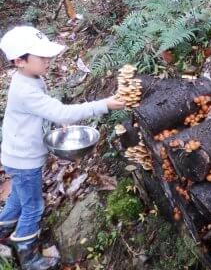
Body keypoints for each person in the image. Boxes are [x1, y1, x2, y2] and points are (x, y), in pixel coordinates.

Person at [0, 26, 125, 270]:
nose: (48, 60)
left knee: (17, 197)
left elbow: (49, 108)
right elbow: (59, 109)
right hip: (24, 160)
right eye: (41, 57)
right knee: (33, 207)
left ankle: (3, 229)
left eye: (48, 55)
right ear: (19, 61)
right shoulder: (25, 89)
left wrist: (58, 118)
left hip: (17, 156)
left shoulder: (31, 77)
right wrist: (105, 104)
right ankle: (27, 254)